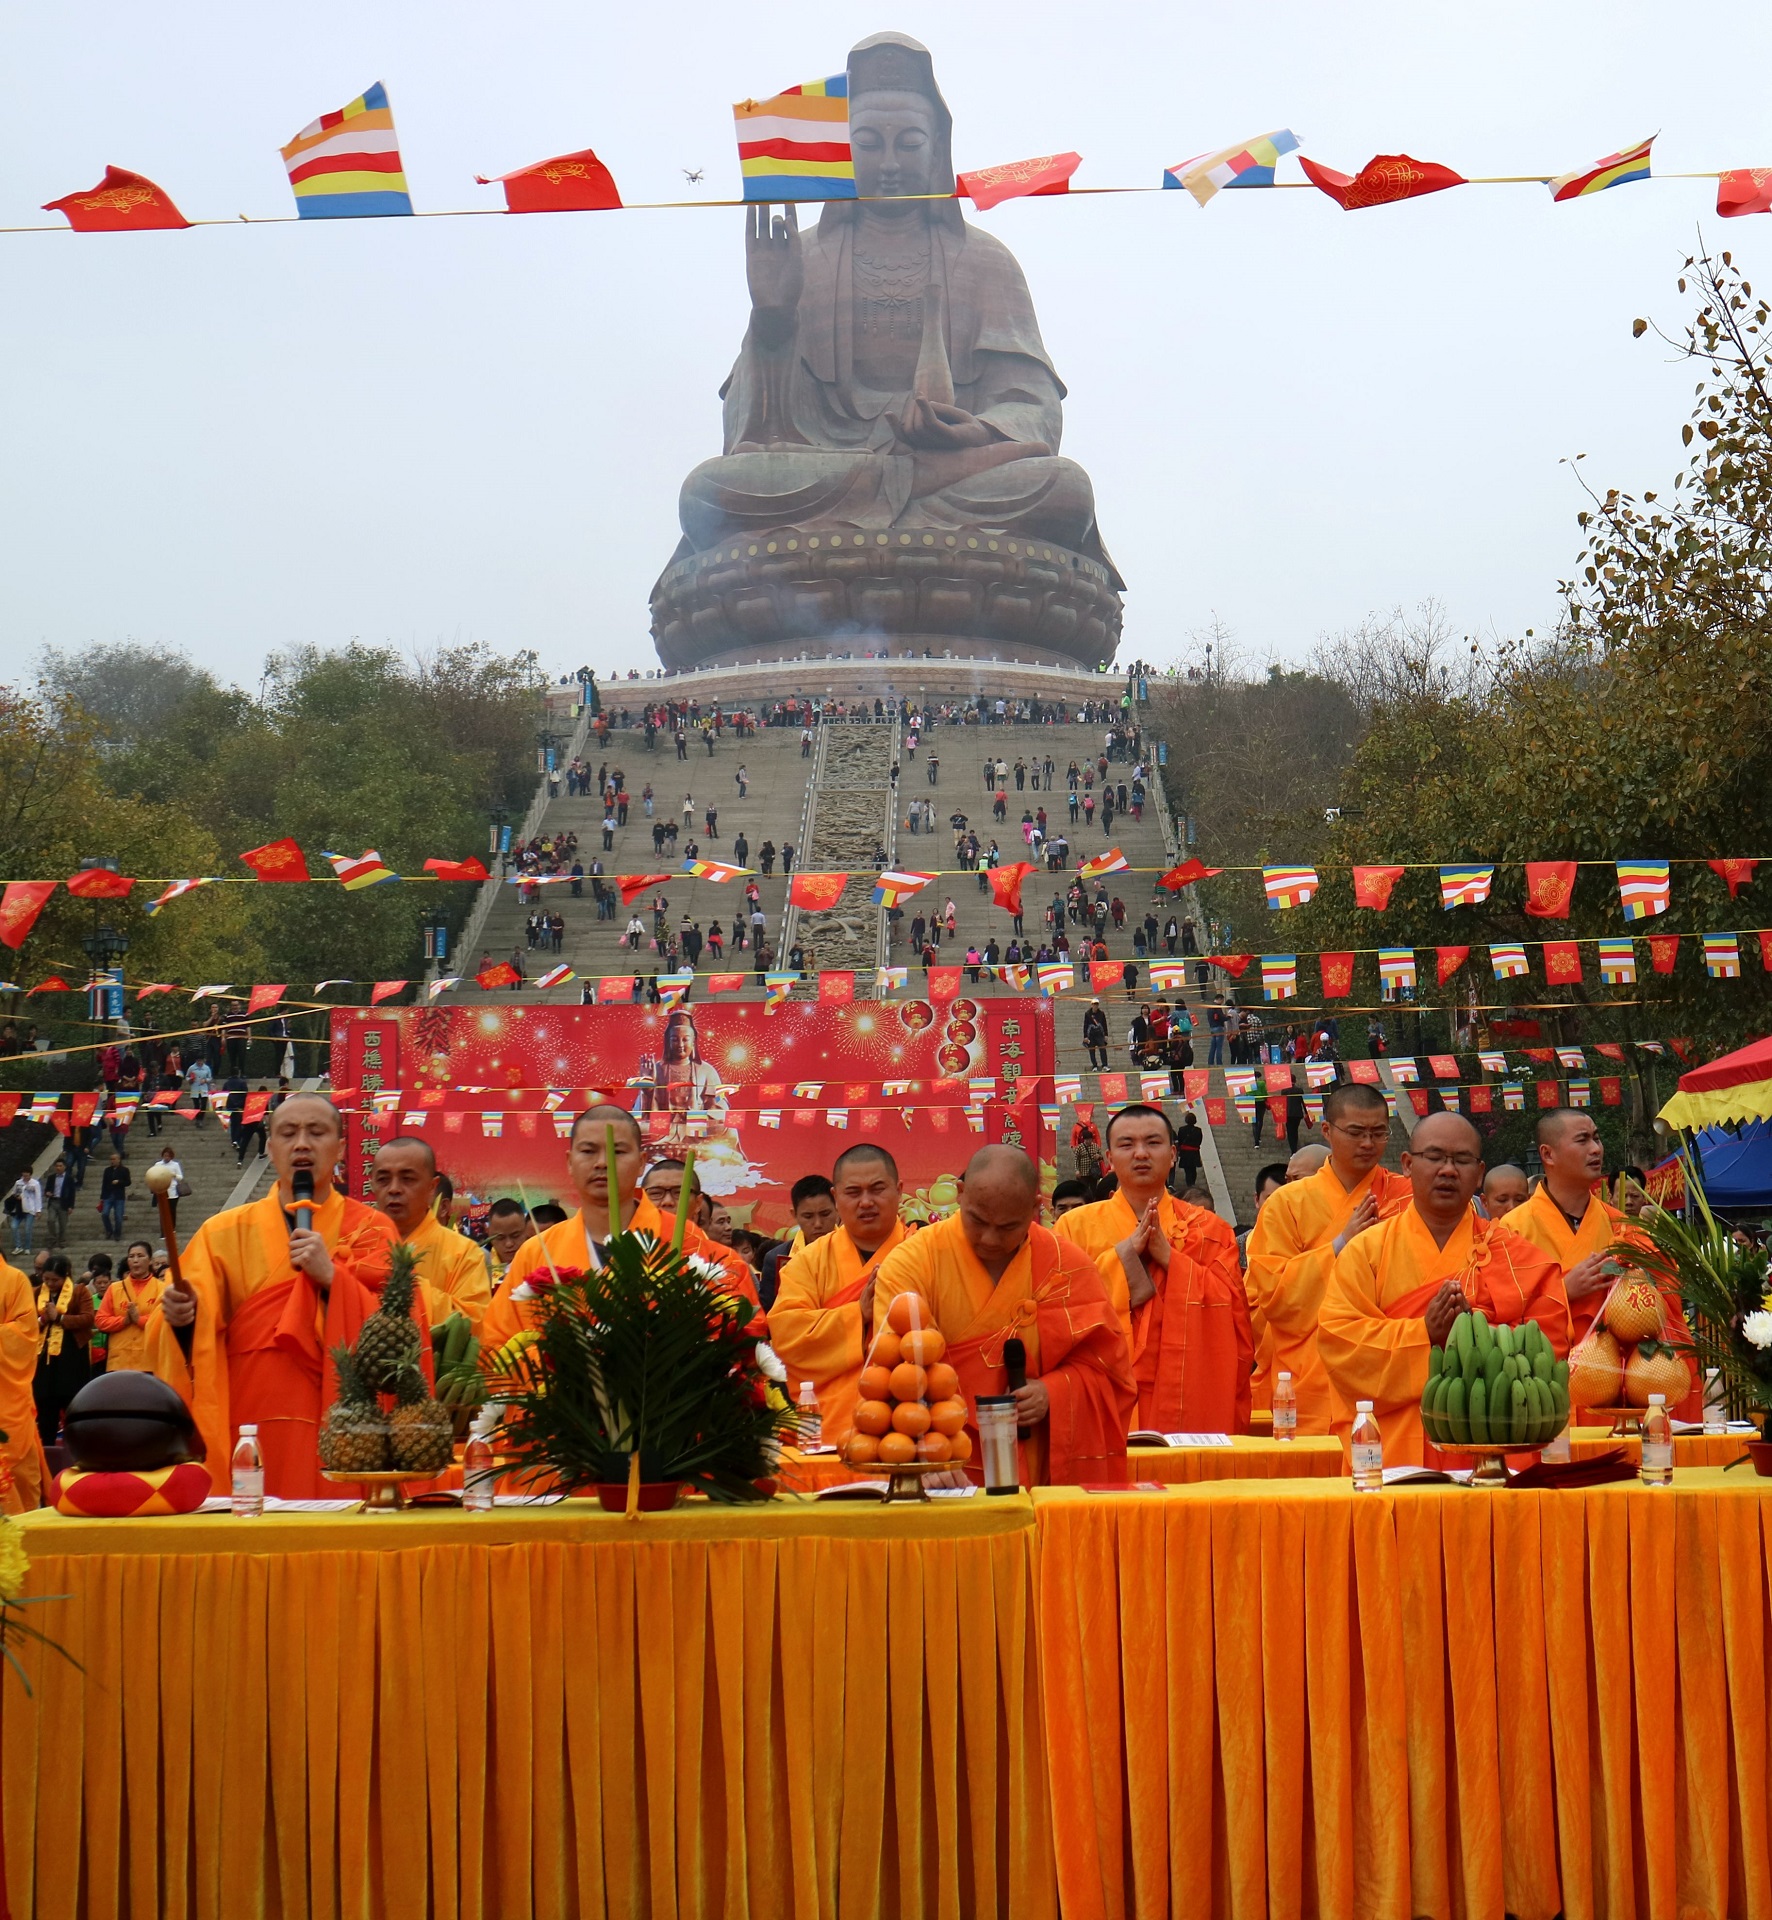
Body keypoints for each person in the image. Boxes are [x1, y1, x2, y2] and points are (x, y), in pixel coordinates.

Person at [146, 1094, 407, 1498]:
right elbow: (186, 1335)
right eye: (288, 1133)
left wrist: (333, 1281)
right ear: (270, 1148)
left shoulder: (373, 1229)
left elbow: (399, 1333)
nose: (301, 1144)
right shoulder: (222, 1233)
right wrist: (183, 1319)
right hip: (250, 1421)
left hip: (342, 1418)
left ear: (339, 1147)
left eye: (316, 1132)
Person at [1317, 1112, 1572, 1464]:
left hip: (1495, 1446)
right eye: (1434, 1157)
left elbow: (1549, 1352)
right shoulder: (1367, 1250)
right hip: (1392, 1455)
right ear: (1407, 1164)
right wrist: (1425, 1333)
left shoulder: (1516, 1255)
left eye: (1462, 1160)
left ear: (1480, 1172)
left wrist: (1474, 1335)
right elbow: (1340, 1343)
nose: (1448, 1170)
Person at [873, 1146, 1135, 1486]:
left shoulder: (1066, 1264)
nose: (990, 1239)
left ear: (1035, 1209)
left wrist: (1053, 1391)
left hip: (1041, 1464)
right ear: (961, 1194)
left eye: (1009, 1226)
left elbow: (1108, 1366)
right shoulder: (912, 1262)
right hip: (945, 1464)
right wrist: (924, 1444)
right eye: (978, 1221)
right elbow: (894, 1367)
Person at [478, 1108, 763, 1356]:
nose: (602, 1163)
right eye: (588, 1151)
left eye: (618, 1151)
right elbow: (497, 1345)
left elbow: (744, 1336)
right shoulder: (537, 1252)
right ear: (569, 1161)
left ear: (640, 1163)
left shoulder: (697, 1250)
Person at [1054, 1106, 1253, 1434]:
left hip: (1187, 1385)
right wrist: (1125, 1255)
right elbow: (1061, 1311)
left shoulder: (1210, 1229)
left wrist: (1169, 1257)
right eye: (1127, 1144)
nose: (1141, 1153)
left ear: (1173, 1154)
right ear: (1109, 1156)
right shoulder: (1074, 1226)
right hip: (1105, 1384)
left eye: (1153, 1143)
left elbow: (1233, 1316)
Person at [1505, 1109, 1700, 1417]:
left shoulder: (1625, 1229)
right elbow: (1497, 1320)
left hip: (1618, 1398)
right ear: (1548, 1154)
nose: (1596, 1148)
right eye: (1582, 1140)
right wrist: (1562, 1292)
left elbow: (1664, 1313)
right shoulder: (1511, 1230)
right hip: (1540, 1395)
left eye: (1596, 1138)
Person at [1242, 1084, 1413, 1434]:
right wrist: (1341, 1243)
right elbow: (1275, 1297)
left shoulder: (1408, 1197)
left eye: (1378, 1133)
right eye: (1356, 1132)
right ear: (1326, 1130)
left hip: (1386, 1374)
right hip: (1309, 1379)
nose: (1368, 1143)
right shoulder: (1285, 1203)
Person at [769, 1145, 908, 1439]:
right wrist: (859, 1314)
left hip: (912, 1425)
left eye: (877, 1189)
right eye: (853, 1192)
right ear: (836, 1197)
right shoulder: (807, 1262)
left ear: (899, 1190)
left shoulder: (923, 1253)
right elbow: (786, 1337)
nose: (866, 1201)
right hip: (829, 1431)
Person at [369, 1138, 492, 1325]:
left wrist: (400, 1283)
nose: (394, 1189)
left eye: (407, 1179)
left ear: (431, 1188)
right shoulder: (355, 1243)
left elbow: (473, 1323)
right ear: (373, 1185)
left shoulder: (464, 1253)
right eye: (383, 1180)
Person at [32, 1252, 94, 1446]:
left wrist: (59, 1318)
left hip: (71, 1356)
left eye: (55, 1280)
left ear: (66, 1275)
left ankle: (78, 1449)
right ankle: (47, 1451)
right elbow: (27, 1321)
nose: (50, 1284)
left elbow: (88, 1318)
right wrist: (43, 1319)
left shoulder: (79, 1291)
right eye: (46, 1279)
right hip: (44, 1359)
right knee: (45, 1409)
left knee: (73, 1406)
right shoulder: (36, 1293)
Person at [0, 1248, 44, 1510]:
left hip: (8, 1392)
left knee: (20, 1472)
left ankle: (23, 1532)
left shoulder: (15, 1279)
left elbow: (26, 1332)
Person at [760, 1174, 838, 1308]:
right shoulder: (776, 1258)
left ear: (838, 1208)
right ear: (794, 1214)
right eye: (808, 1216)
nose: (818, 1224)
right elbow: (768, 1312)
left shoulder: (856, 1249)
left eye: (825, 1214)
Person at [93, 1240, 164, 1372]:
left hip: (148, 1361)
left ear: (150, 1261)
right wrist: (123, 1321)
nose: (135, 1260)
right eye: (131, 1257)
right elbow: (100, 1321)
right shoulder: (114, 1288)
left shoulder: (161, 1288)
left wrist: (139, 1320)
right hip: (119, 1361)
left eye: (140, 1256)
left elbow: (163, 1322)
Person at [483, 1199, 535, 1286]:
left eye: (515, 1236)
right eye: (500, 1238)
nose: (509, 1244)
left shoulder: (538, 1260)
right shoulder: (479, 1261)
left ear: (526, 1230)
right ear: (488, 1232)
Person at [98, 1151, 131, 1240]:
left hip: (119, 1196)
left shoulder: (124, 1170)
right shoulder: (107, 1170)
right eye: (111, 1159)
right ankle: (109, 1230)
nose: (112, 1161)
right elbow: (104, 1184)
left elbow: (128, 1182)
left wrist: (119, 1182)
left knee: (118, 1216)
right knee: (105, 1214)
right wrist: (102, 1198)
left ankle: (117, 1233)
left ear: (119, 1160)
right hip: (108, 1195)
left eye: (114, 1159)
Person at [8, 1171, 41, 1254]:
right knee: (14, 1226)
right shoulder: (18, 1182)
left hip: (30, 1209)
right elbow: (13, 1193)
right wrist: (16, 1196)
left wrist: (38, 1210)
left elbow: (38, 1197)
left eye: (26, 1176)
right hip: (19, 1208)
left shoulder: (35, 1184)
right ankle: (18, 1246)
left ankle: (27, 1247)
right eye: (23, 1176)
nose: (25, 1177)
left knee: (27, 1229)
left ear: (30, 1175)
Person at [1174, 1109, 1204, 1191]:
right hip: (1194, 1152)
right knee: (1193, 1169)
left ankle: (1189, 1183)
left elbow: (1179, 1140)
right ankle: (1193, 1183)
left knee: (1187, 1169)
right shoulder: (1198, 1130)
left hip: (1185, 1152)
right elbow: (1199, 1141)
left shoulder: (1182, 1129)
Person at [1082, 1000, 1109, 1071]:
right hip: (1091, 1035)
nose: (1095, 1006)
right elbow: (1085, 1025)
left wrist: (1106, 1034)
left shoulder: (1101, 1013)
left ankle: (1105, 1065)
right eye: (1094, 1004)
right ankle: (1094, 1065)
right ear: (1091, 1005)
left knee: (1102, 1049)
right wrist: (1085, 1036)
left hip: (1099, 1034)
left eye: (1097, 1004)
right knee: (1092, 1050)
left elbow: (1104, 1024)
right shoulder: (1087, 1014)